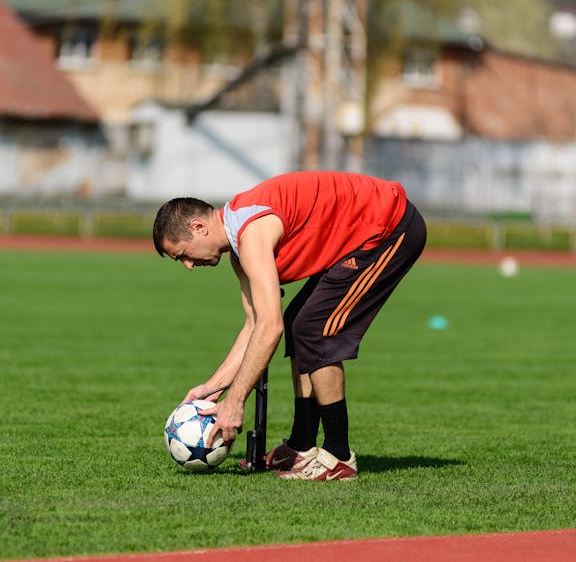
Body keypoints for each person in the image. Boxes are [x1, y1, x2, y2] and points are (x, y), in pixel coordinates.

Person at [152, 171, 427, 480]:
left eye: (183, 255)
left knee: (315, 329)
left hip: (389, 226)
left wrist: (235, 403)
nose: (188, 265)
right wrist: (213, 387)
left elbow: (270, 329)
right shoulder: (240, 249)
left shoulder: (251, 234)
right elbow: (254, 327)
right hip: (361, 235)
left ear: (199, 227)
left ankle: (338, 456)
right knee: (300, 323)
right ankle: (302, 444)